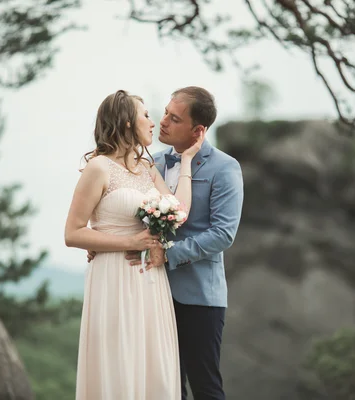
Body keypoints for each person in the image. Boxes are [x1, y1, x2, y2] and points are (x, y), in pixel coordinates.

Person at [89, 86, 245, 399]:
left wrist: (168, 254)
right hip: (146, 290)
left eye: (174, 119)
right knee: (165, 385)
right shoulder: (149, 163)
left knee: (206, 385)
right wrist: (104, 238)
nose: (163, 122)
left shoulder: (225, 168)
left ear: (197, 129)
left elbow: (222, 234)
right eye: (165, 113)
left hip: (199, 295)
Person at [64, 89, 205, 400]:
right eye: (145, 115)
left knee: (152, 360)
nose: (153, 122)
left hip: (151, 280)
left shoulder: (145, 168)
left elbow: (178, 211)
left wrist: (186, 162)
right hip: (114, 277)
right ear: (127, 122)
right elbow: (72, 233)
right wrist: (128, 240)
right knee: (120, 359)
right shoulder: (98, 168)